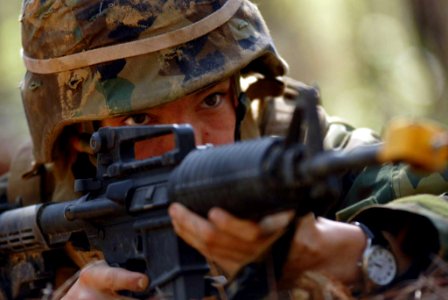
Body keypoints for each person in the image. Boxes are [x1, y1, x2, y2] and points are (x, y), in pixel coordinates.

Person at [4, 0, 448, 299]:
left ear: (240, 90)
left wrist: (356, 253)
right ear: (80, 135)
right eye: (139, 119)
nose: (194, 142)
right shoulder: (31, 206)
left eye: (210, 99)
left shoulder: (303, 163)